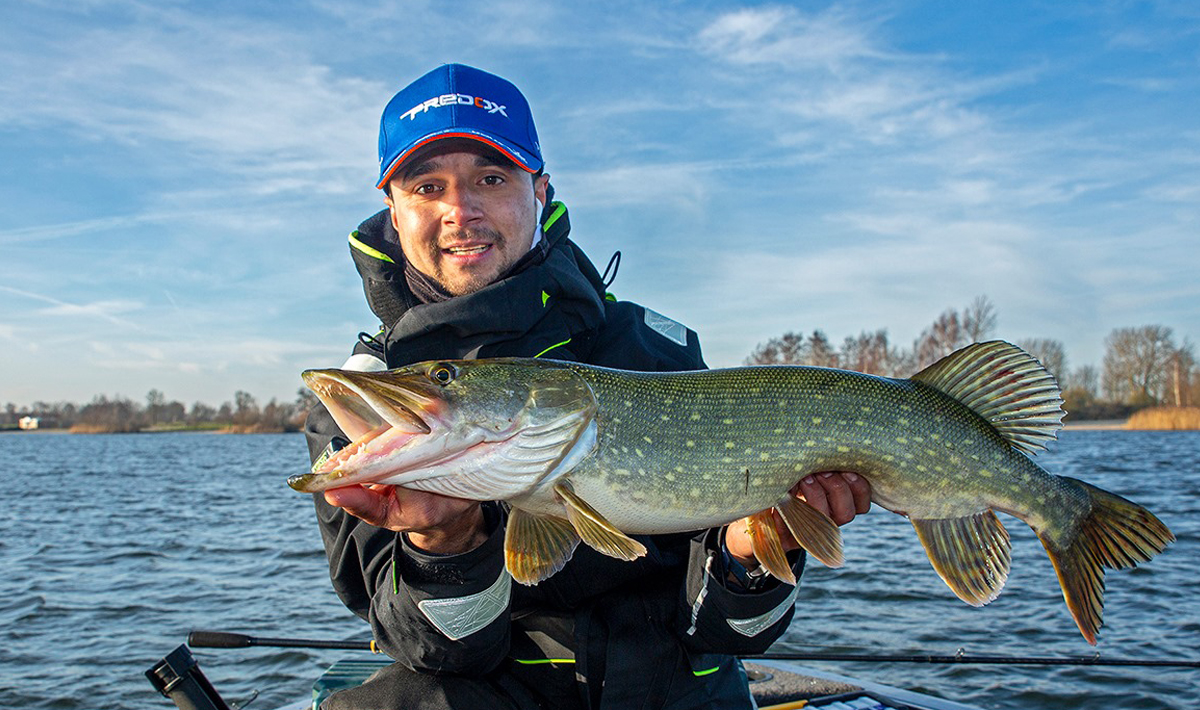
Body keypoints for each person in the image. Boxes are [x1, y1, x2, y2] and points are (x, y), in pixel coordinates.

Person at [303, 63, 871, 710]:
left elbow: (735, 634)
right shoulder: (367, 396)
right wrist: (445, 542)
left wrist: (752, 550)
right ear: (395, 214)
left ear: (539, 192)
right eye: (428, 187)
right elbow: (442, 649)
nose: (460, 210)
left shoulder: (653, 351)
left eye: (491, 179)